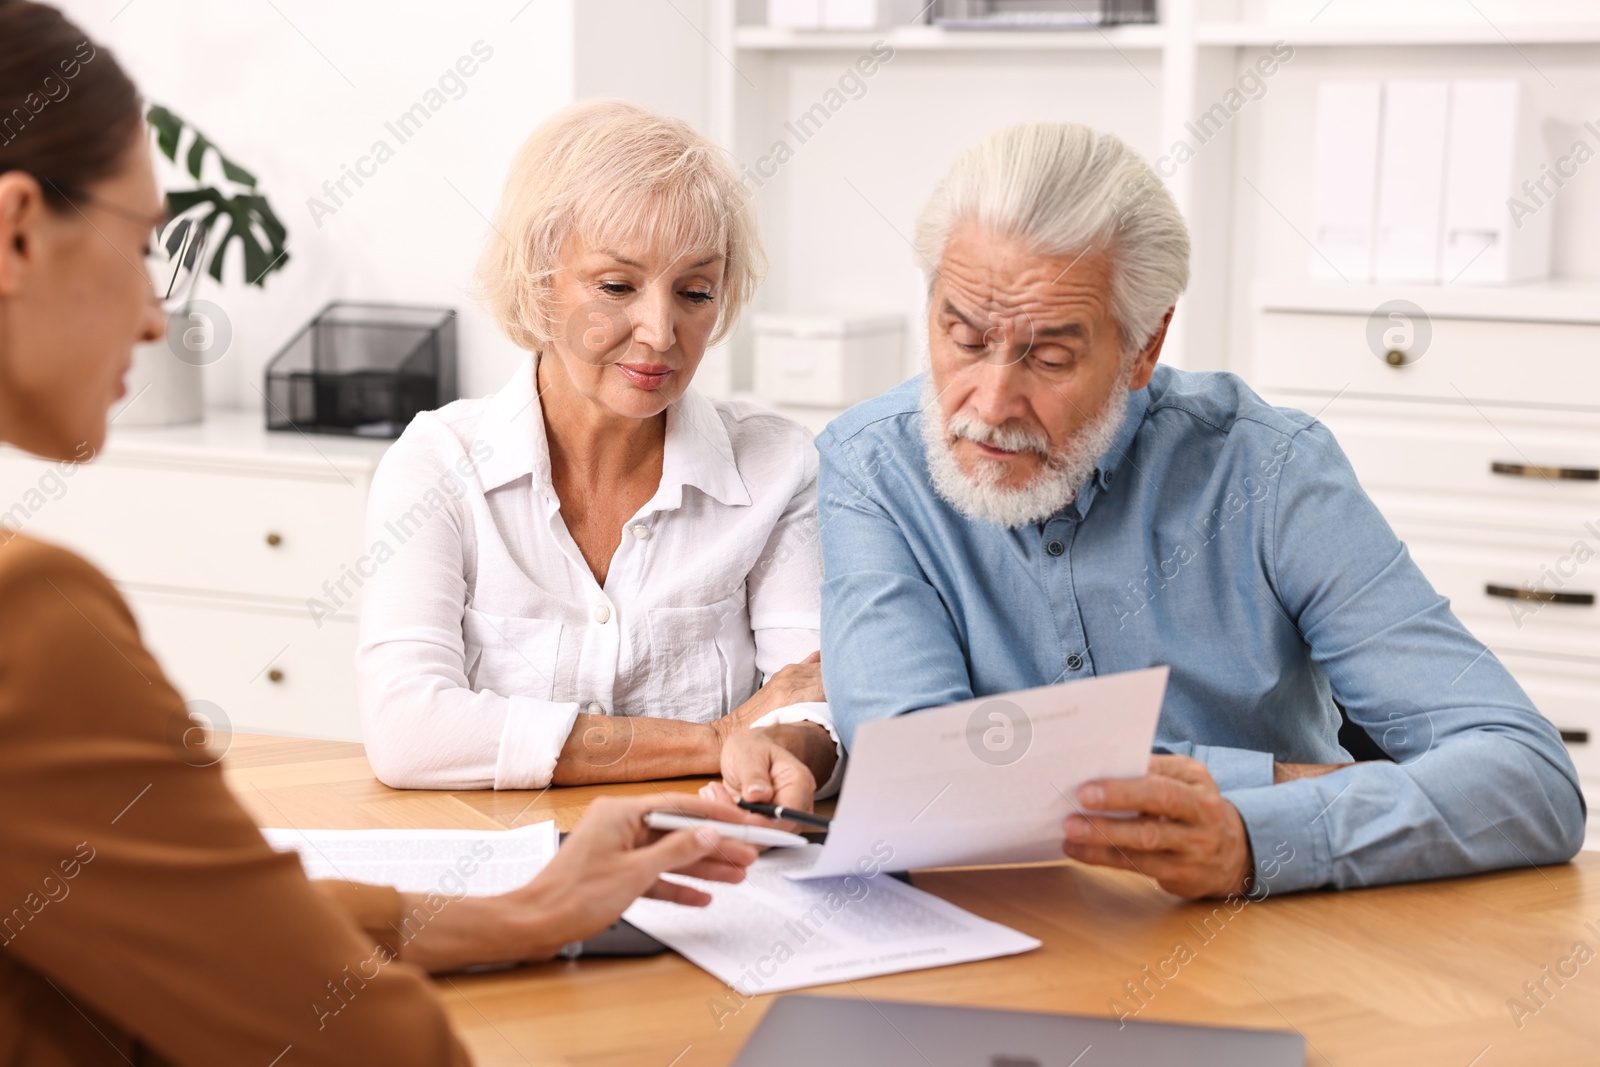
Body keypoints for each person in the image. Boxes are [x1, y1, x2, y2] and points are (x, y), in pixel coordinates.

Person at [0, 4, 759, 1063]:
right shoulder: (24, 619)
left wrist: (521, 913)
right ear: (18, 230)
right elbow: (357, 1036)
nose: (155, 316)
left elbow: (231, 917)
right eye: (142, 243)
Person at [768, 120, 1586, 897]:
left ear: (1144, 348)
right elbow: (915, 769)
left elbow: (1530, 779)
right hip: (1006, 926)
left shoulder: (1269, 470)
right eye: (964, 337)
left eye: (1049, 355)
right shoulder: (873, 464)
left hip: (1282, 941)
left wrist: (1250, 837)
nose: (989, 401)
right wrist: (1271, 784)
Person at [355, 99, 840, 806]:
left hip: (708, 864)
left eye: (695, 291)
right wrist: (716, 737)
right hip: (500, 874)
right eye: (616, 286)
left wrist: (787, 747)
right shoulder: (436, 465)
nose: (660, 331)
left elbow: (816, 699)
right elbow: (407, 730)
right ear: (538, 280)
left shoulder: (777, 468)